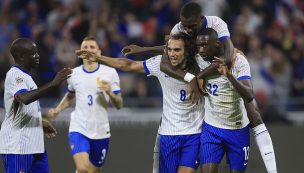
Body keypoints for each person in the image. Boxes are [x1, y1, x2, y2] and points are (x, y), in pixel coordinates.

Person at [77, 33, 204, 173]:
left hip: (194, 133)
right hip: (169, 134)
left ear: (186, 51)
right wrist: (98, 58)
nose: (172, 54)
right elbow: (128, 65)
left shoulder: (201, 65)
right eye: (170, 49)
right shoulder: (160, 64)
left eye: (177, 50)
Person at [195, 28, 277, 173]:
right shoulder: (199, 60)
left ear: (217, 44)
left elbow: (249, 95)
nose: (201, 50)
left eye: (205, 45)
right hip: (212, 129)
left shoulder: (238, 61)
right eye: (198, 46)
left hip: (237, 130)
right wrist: (197, 77)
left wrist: (229, 75)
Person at [121, 2, 234, 103]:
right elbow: (166, 58)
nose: (188, 30)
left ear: (201, 18)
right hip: (196, 72)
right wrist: (143, 49)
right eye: (185, 26)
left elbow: (228, 57)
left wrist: (199, 76)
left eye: (192, 26)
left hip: (217, 73)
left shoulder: (216, 23)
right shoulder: (178, 28)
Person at [47, 36, 123, 173]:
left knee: (93, 170)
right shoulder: (73, 74)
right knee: (82, 168)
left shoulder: (110, 73)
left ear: (99, 52)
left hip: (101, 131)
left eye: (92, 47)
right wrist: (58, 110)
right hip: (79, 127)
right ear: (80, 52)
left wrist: (110, 93)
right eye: (85, 47)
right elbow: (70, 95)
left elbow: (119, 104)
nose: (88, 50)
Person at [0, 38, 72, 173]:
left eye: (37, 52)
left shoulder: (27, 77)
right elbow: (24, 98)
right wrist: (53, 84)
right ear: (21, 56)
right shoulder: (14, 75)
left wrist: (39, 122)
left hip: (35, 145)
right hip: (18, 147)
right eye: (33, 53)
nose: (37, 56)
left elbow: (23, 109)